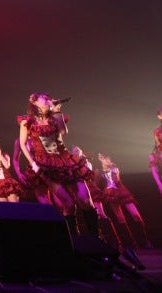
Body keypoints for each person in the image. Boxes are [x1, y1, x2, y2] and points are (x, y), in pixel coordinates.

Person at [16, 93, 98, 237]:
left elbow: (63, 132)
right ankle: (74, 240)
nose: (49, 100)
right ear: (34, 102)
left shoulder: (55, 117)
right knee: (69, 204)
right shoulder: (27, 121)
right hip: (45, 163)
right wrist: (33, 164)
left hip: (66, 160)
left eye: (49, 98)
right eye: (45, 98)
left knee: (86, 201)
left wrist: (57, 111)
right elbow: (22, 144)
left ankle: (95, 238)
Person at [98, 152, 152, 257]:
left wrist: (114, 172)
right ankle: (131, 242)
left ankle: (144, 241)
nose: (105, 160)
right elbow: (96, 184)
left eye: (106, 158)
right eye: (103, 158)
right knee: (120, 218)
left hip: (121, 191)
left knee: (136, 215)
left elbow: (117, 182)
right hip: (110, 193)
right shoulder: (99, 171)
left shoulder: (114, 168)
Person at [70, 145, 121, 253]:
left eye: (78, 150)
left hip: (90, 189)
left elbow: (88, 176)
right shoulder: (70, 163)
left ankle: (114, 242)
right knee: (83, 215)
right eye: (75, 150)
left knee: (101, 214)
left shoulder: (86, 162)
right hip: (78, 189)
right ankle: (92, 240)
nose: (77, 151)